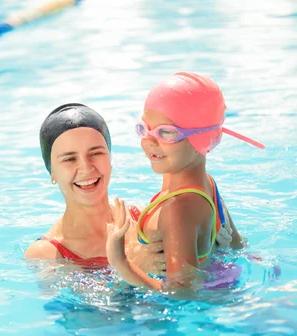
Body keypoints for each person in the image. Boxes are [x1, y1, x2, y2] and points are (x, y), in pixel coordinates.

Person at [106, 72, 260, 290]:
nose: (149, 141)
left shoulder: (177, 209)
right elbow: (236, 245)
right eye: (144, 129)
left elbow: (181, 294)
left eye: (166, 133)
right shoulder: (207, 184)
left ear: (202, 137)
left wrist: (122, 263)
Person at [24, 103, 165, 273]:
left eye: (96, 153)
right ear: (52, 172)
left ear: (110, 159)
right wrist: (131, 267)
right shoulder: (46, 255)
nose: (86, 167)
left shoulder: (143, 221)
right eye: (70, 159)